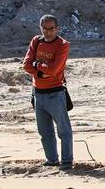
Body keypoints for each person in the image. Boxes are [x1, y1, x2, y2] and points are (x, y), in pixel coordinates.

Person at [23, 14, 72, 170]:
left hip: (55, 93)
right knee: (45, 131)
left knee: (63, 130)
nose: (48, 32)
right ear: (41, 28)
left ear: (57, 28)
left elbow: (54, 69)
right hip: (38, 93)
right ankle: (51, 160)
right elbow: (26, 65)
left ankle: (66, 161)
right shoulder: (36, 41)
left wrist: (37, 65)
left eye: (51, 29)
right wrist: (39, 71)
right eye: (45, 29)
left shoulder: (62, 45)